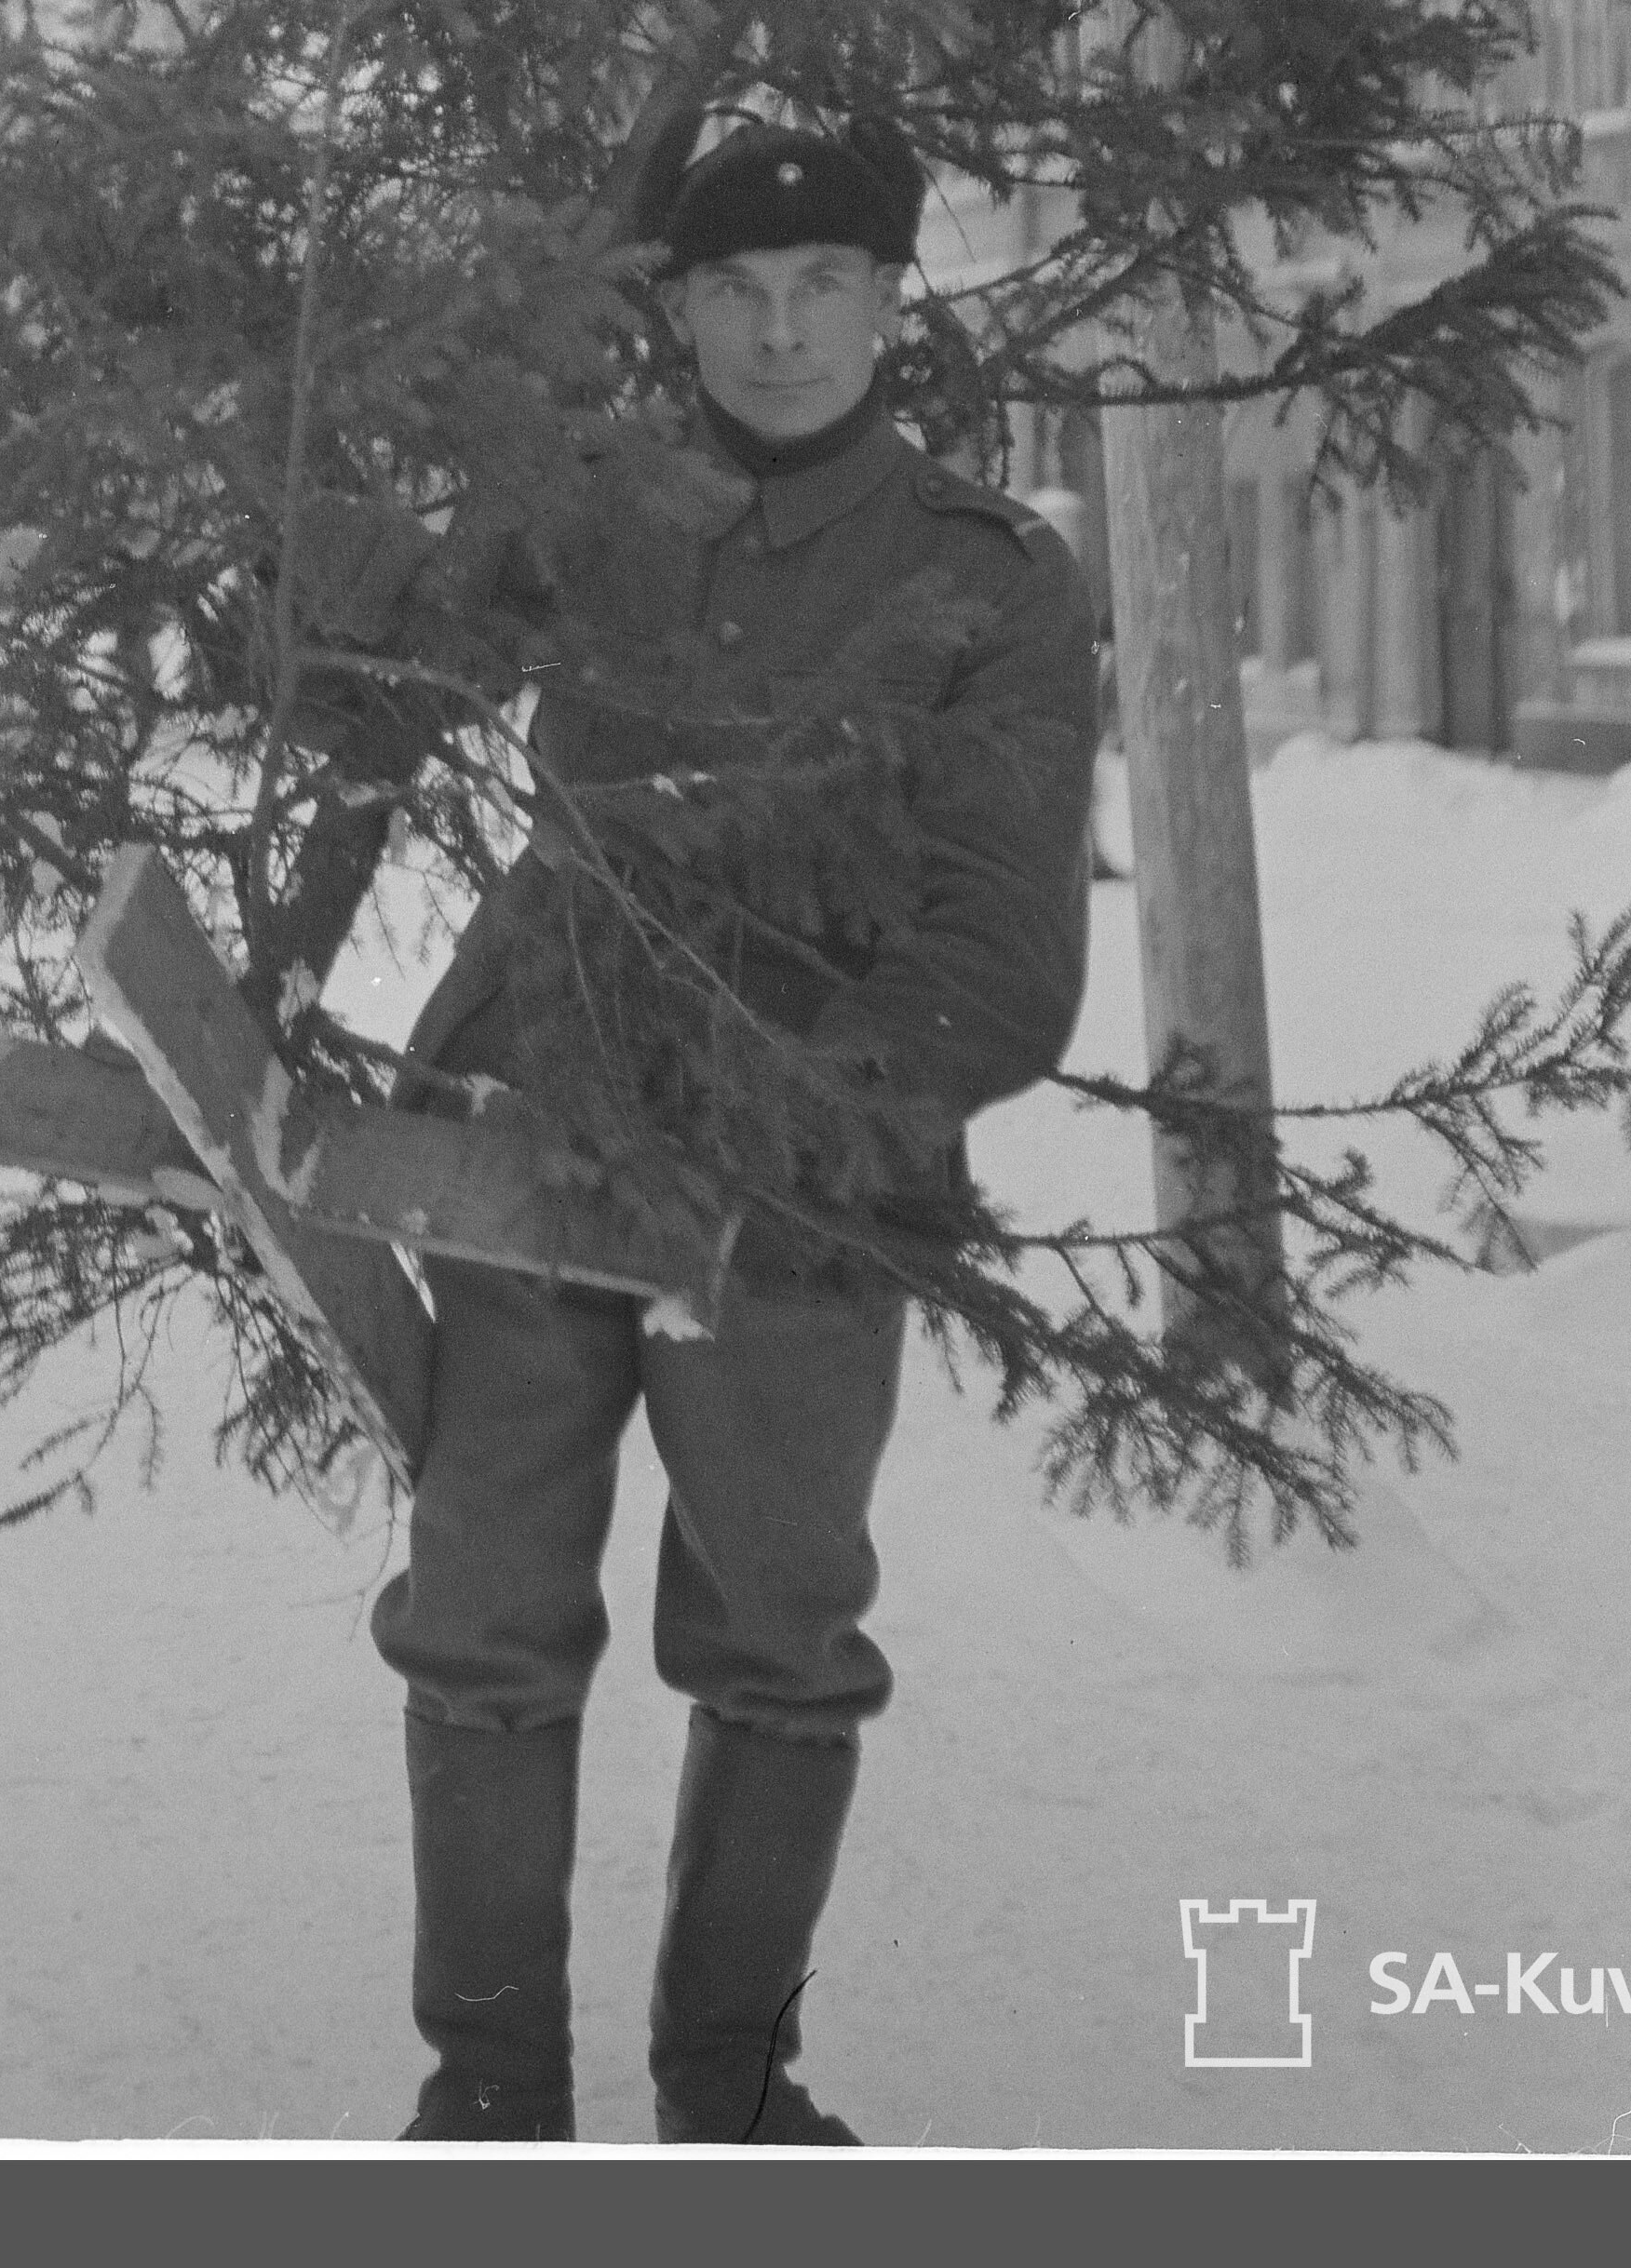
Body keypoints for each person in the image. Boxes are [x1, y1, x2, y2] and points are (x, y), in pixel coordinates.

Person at [352, 114, 1098, 2148]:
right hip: (537, 1112)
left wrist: (787, 1118)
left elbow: (1001, 944)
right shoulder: (582, 514)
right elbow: (374, 678)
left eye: (821, 286)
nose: (779, 333)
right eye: (736, 293)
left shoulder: (984, 577)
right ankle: (486, 2099)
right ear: (675, 311)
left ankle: (733, 2098)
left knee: (777, 1637)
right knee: (484, 1620)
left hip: (805, 1181)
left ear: (886, 302)